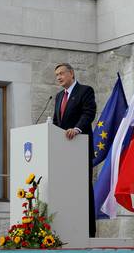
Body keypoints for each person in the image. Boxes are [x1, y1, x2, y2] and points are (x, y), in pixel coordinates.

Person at [52, 63, 97, 238]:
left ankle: (88, 231)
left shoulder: (85, 91)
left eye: (61, 73)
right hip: (63, 152)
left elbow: (89, 113)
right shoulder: (57, 97)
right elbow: (57, 122)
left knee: (83, 189)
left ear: (71, 73)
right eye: (57, 75)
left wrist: (77, 129)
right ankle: (67, 230)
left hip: (79, 148)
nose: (59, 77)